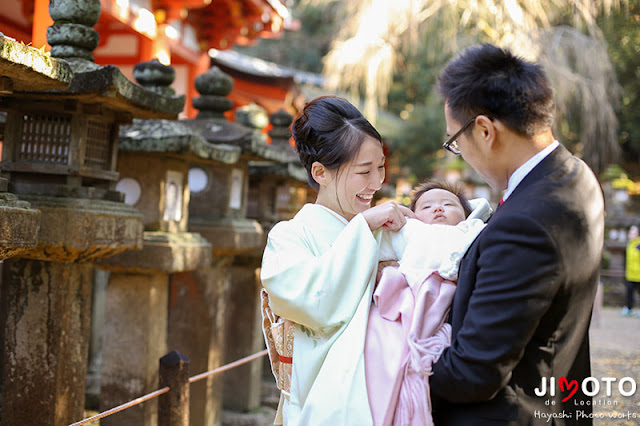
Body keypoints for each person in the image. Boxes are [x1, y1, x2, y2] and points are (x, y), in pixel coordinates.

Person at [429, 44, 605, 425]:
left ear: (485, 130)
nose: (460, 152)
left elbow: (472, 373)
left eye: (455, 142)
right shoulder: (576, 175)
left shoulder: (525, 224)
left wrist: (383, 373)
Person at [260, 95, 415, 425]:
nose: (377, 183)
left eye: (381, 168)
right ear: (320, 172)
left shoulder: (383, 228)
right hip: (316, 408)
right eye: (364, 172)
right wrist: (365, 230)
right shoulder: (289, 237)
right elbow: (312, 301)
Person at [366, 180, 490, 425]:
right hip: (408, 292)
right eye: (427, 206)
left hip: (445, 293)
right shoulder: (410, 231)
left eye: (448, 204)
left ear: (465, 213)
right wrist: (382, 268)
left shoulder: (471, 231)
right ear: (413, 215)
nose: (438, 209)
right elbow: (377, 250)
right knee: (379, 339)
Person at [622, 225, 640, 317]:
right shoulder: (629, 245)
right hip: (630, 274)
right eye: (630, 232)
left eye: (633, 232)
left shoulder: (639, 245)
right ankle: (629, 309)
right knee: (629, 293)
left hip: (639, 275)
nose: (631, 234)